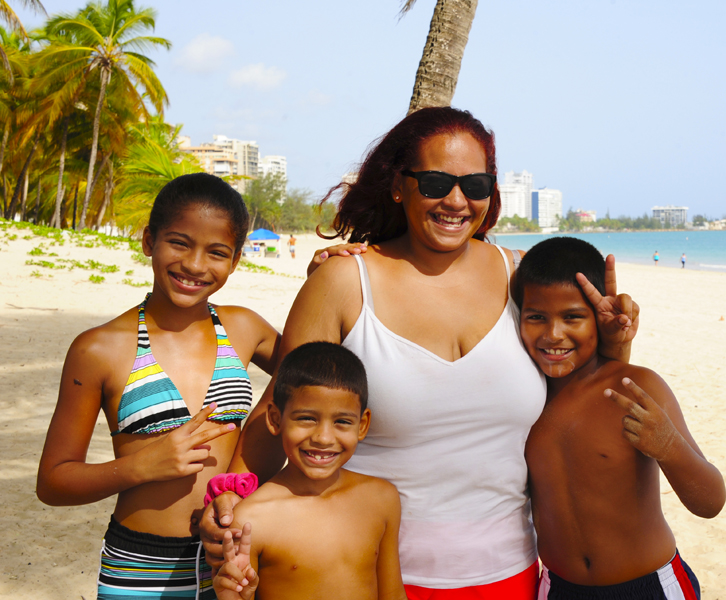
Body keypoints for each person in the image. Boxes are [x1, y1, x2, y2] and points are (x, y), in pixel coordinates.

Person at [201, 107, 639, 600]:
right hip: (364, 573)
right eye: (434, 182)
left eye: (475, 185)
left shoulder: (523, 279)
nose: (456, 200)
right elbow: (277, 409)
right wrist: (229, 500)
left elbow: (580, 396)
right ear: (398, 185)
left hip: (510, 575)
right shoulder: (344, 282)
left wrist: (617, 344)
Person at [36, 173, 281, 599]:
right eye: (179, 243)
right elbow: (53, 482)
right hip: (139, 567)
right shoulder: (99, 348)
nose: (194, 265)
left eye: (217, 252)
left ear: (236, 260)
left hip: (235, 560)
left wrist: (326, 272)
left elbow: (317, 376)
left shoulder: (244, 328)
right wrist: (142, 466)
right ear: (150, 240)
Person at [515, 237, 726, 600]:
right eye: (536, 317)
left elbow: (710, 502)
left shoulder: (635, 388)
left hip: (648, 586)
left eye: (572, 317)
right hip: (558, 588)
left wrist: (669, 447)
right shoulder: (521, 401)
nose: (553, 334)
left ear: (598, 318)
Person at [212, 342, 405, 600]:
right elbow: (237, 592)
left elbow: (392, 593)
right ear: (276, 419)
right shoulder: (251, 519)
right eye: (307, 418)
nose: (324, 438)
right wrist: (230, 595)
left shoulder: (382, 499)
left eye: (342, 422)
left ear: (362, 424)